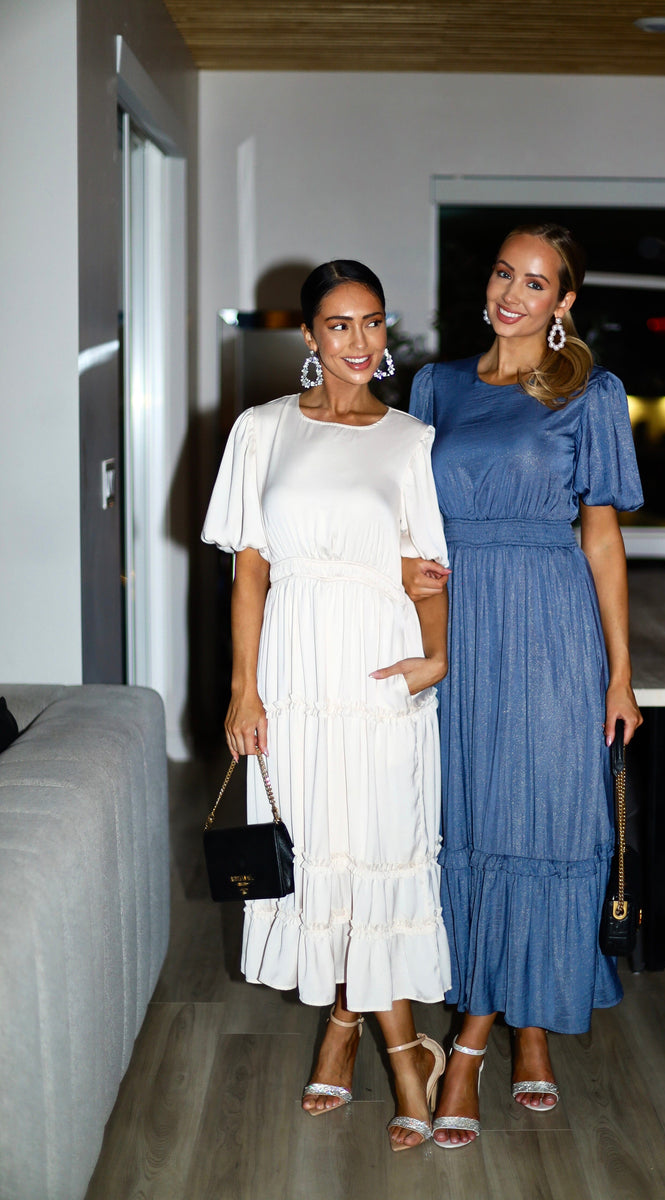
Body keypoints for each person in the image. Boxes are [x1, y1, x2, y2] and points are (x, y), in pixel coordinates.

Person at [202, 260, 452, 1152]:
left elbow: (427, 573)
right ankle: (364, 1036)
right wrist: (244, 689)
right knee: (319, 855)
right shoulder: (261, 430)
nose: (359, 341)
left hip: (378, 673)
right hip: (295, 677)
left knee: (376, 853)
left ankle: (392, 1056)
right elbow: (250, 572)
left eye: (372, 322)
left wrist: (435, 660)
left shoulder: (410, 439)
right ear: (309, 336)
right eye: (339, 324)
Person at [404, 223, 644, 1148]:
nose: (513, 294)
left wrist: (621, 675)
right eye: (506, 274)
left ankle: (488, 1043)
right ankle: (512, 1017)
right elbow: (407, 517)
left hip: (548, 625)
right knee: (467, 823)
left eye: (537, 283)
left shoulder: (591, 393)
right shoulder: (435, 387)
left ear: (564, 302)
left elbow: (603, 540)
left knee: (540, 821)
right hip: (458, 628)